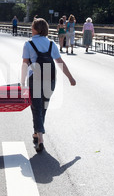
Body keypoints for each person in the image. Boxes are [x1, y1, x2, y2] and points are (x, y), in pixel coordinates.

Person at [21, 18, 76, 153]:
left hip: (35, 78)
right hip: (50, 78)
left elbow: (24, 64)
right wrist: (70, 77)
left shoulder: (28, 44)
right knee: (43, 107)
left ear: (35, 29)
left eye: (32, 27)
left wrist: (22, 83)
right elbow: (60, 62)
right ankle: (37, 133)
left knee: (36, 108)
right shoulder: (51, 44)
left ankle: (40, 138)